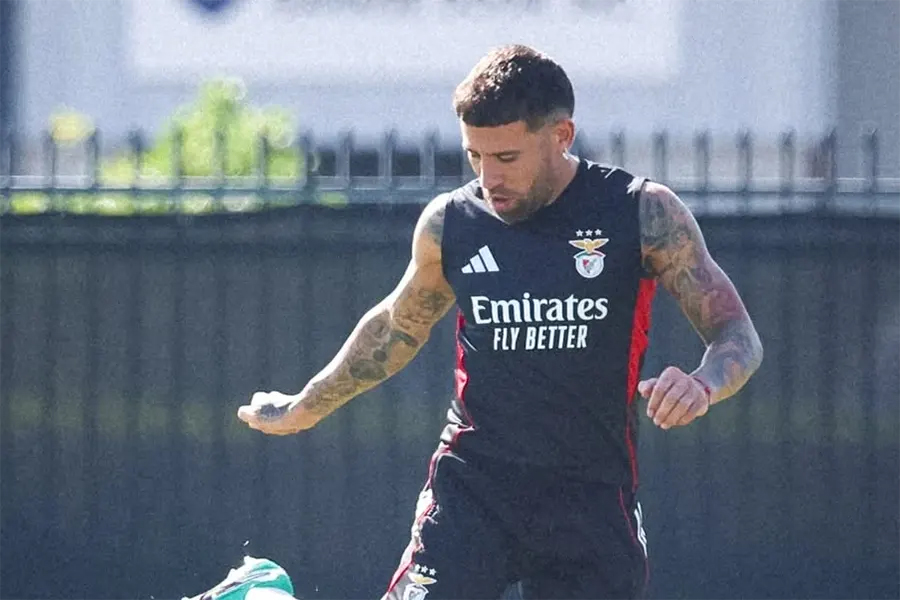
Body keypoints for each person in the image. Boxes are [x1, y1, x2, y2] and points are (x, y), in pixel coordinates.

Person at [236, 44, 763, 600]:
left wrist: (702, 383)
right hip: (473, 492)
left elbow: (738, 336)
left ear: (561, 135)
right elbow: (396, 327)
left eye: (507, 157)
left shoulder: (640, 211)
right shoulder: (452, 223)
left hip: (590, 503)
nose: (489, 178)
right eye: (475, 157)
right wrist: (305, 405)